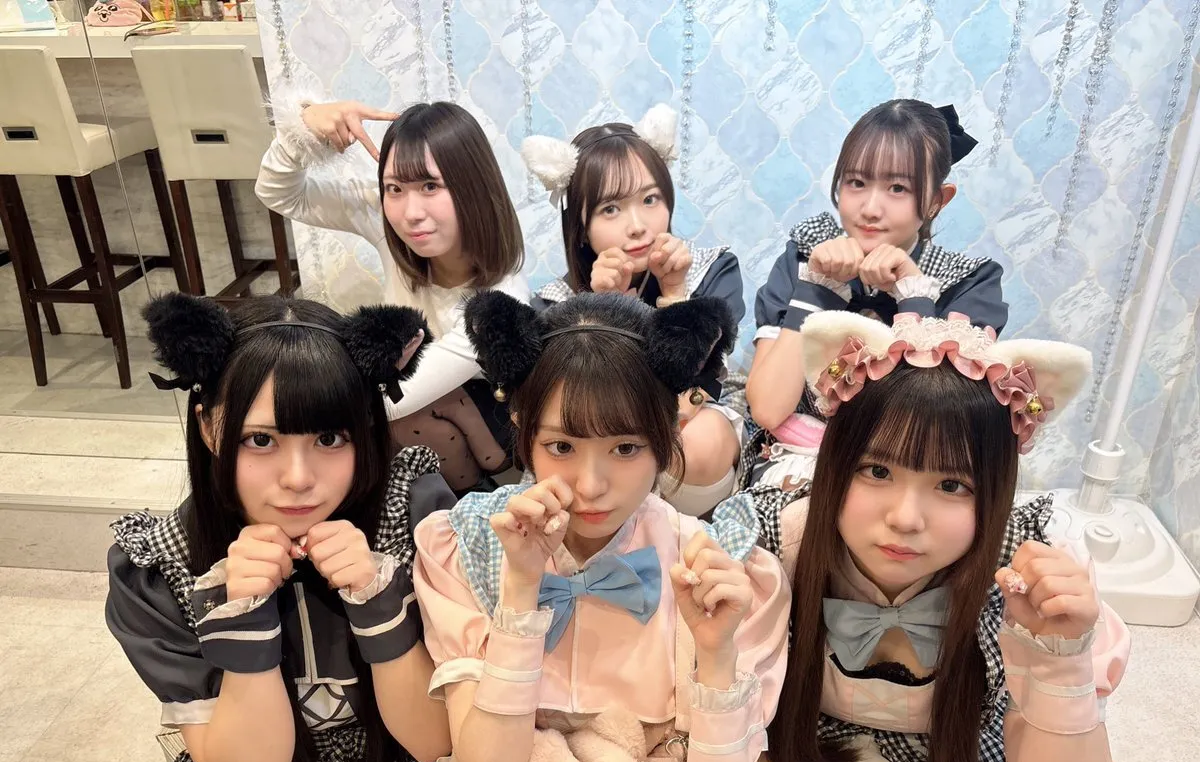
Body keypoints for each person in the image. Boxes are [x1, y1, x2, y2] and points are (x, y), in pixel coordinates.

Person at [725, 309, 1140, 762]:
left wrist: (1059, 664)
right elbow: (734, 742)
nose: (905, 517)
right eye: (877, 470)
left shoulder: (1027, 570)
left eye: (951, 484)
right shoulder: (777, 548)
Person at [412, 290, 792, 762]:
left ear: (666, 438)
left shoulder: (724, 569)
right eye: (561, 445)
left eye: (625, 447)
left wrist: (716, 658)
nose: (590, 484)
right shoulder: (467, 545)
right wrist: (521, 594)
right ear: (523, 432)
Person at [106, 292, 455, 762]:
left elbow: (431, 741)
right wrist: (242, 622)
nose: (298, 478)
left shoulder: (411, 515)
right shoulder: (162, 562)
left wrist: (378, 603)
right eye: (261, 440)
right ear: (210, 428)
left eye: (329, 438)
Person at [257, 97, 527, 492]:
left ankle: (468, 501)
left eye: (431, 186)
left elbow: (394, 399)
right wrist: (304, 130)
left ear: (474, 185)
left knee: (394, 421)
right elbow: (280, 193)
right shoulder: (388, 217)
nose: (411, 213)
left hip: (493, 418)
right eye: (395, 187)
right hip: (422, 398)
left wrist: (277, 410)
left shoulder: (501, 299)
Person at [745, 100, 1007, 489]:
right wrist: (817, 290)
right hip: (797, 464)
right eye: (856, 182)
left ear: (937, 201)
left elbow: (938, 431)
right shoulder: (805, 255)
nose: (870, 208)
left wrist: (914, 297)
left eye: (898, 188)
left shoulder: (968, 282)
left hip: (911, 481)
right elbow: (767, 409)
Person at [523, 105, 746, 516]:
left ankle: (679, 535)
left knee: (697, 442)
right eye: (611, 209)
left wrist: (675, 293)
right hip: (602, 436)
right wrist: (603, 310)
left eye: (650, 199)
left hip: (695, 415)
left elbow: (696, 392)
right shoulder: (555, 303)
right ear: (581, 226)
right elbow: (573, 410)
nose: (638, 225)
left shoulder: (713, 269)